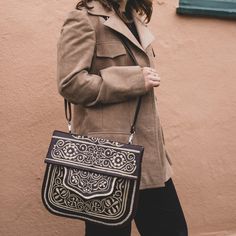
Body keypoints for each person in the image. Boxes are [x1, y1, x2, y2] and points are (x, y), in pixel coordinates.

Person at [57, 0, 188, 235]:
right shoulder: (84, 19)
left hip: (150, 160)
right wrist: (133, 80)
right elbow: (71, 83)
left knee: (173, 230)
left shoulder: (134, 18)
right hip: (107, 161)